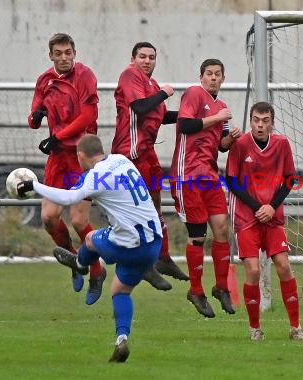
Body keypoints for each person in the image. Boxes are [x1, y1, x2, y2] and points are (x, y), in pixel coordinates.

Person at [16, 134, 162, 363]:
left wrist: (35, 185)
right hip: (153, 243)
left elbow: (70, 197)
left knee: (92, 239)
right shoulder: (122, 160)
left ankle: (80, 264)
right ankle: (121, 338)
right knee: (120, 290)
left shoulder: (96, 176)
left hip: (128, 243)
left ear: (81, 156)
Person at [28, 33, 105, 305]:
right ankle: (75, 260)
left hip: (82, 157)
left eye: (68, 52)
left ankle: (97, 270)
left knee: (79, 220)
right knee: (49, 217)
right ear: (50, 55)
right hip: (58, 159)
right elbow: (34, 119)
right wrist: (36, 115)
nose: (63, 57)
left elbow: (88, 116)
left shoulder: (85, 76)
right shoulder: (44, 80)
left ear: (75, 52)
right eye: (58, 53)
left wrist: (58, 137)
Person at [225, 101, 303, 341]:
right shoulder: (239, 145)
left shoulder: (282, 144)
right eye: (256, 120)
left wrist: (271, 206)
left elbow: (291, 178)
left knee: (283, 265)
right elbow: (231, 181)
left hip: (273, 217)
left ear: (272, 123)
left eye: (265, 121)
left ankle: (296, 327)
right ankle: (255, 329)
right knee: (252, 269)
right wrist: (257, 207)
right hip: (247, 218)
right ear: (250, 121)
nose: (260, 125)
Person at [112, 41, 189, 291]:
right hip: (129, 156)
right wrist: (165, 93)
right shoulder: (129, 75)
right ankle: (142, 264)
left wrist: (191, 116)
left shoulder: (152, 85)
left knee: (155, 208)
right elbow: (140, 107)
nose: (147, 61)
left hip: (148, 154)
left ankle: (163, 257)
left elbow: (161, 115)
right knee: (138, 212)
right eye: (142, 56)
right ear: (133, 58)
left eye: (151, 57)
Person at [170, 58, 242, 318]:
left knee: (223, 228)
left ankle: (221, 287)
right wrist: (216, 118)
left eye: (217, 74)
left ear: (223, 78)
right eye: (209, 74)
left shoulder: (221, 106)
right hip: (187, 175)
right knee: (198, 235)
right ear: (201, 77)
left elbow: (221, 146)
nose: (213, 78)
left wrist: (231, 138)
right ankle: (196, 290)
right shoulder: (193, 94)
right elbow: (185, 125)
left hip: (210, 175)